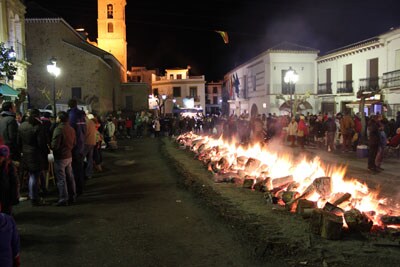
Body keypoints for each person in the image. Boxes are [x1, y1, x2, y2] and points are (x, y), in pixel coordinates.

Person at [17, 109, 48, 206]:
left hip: (25, 154)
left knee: (32, 175)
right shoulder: (38, 126)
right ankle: (34, 198)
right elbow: (41, 143)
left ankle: (32, 195)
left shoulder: (21, 126)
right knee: (34, 176)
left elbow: (18, 142)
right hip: (35, 154)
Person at [51, 111, 77, 206]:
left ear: (60, 118)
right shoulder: (71, 129)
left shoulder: (59, 129)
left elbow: (55, 145)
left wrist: (52, 147)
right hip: (69, 155)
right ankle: (72, 196)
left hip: (60, 157)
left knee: (61, 179)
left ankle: (63, 199)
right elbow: (74, 143)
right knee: (70, 177)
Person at [67, 99, 87, 196]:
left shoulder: (71, 116)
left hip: (75, 147)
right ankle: (80, 188)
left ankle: (76, 190)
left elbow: (71, 132)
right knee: (79, 168)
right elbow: (84, 130)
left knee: (74, 169)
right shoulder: (82, 116)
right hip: (82, 145)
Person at [0, 145, 19, 215]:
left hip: (7, 191)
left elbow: (14, 181)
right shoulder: (8, 164)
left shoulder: (8, 165)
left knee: (6, 209)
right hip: (5, 189)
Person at [83, 114, 96, 180]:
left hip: (86, 143)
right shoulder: (91, 122)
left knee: (80, 158)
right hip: (92, 142)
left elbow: (83, 134)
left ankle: (81, 174)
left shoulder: (84, 123)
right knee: (90, 159)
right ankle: (89, 174)